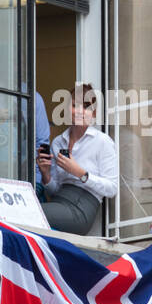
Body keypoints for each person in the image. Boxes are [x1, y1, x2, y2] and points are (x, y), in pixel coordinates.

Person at [37, 83, 117, 236]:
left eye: (86, 107)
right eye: (75, 105)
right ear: (68, 109)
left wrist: (81, 173)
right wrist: (46, 175)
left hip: (82, 209)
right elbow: (56, 190)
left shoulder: (102, 141)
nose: (80, 111)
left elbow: (112, 188)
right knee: (28, 212)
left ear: (94, 114)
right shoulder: (58, 142)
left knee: (31, 212)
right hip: (58, 202)